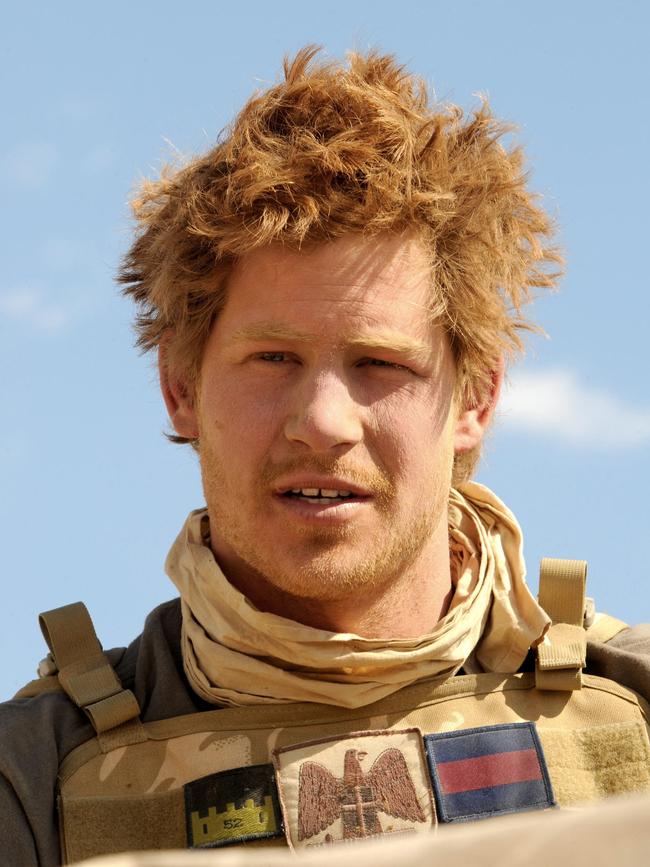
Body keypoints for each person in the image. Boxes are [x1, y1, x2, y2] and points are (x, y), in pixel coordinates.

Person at [2, 46, 650, 867]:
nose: (322, 421)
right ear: (179, 387)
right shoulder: (33, 775)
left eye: (380, 364)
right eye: (272, 359)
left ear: (476, 399)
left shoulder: (634, 705)